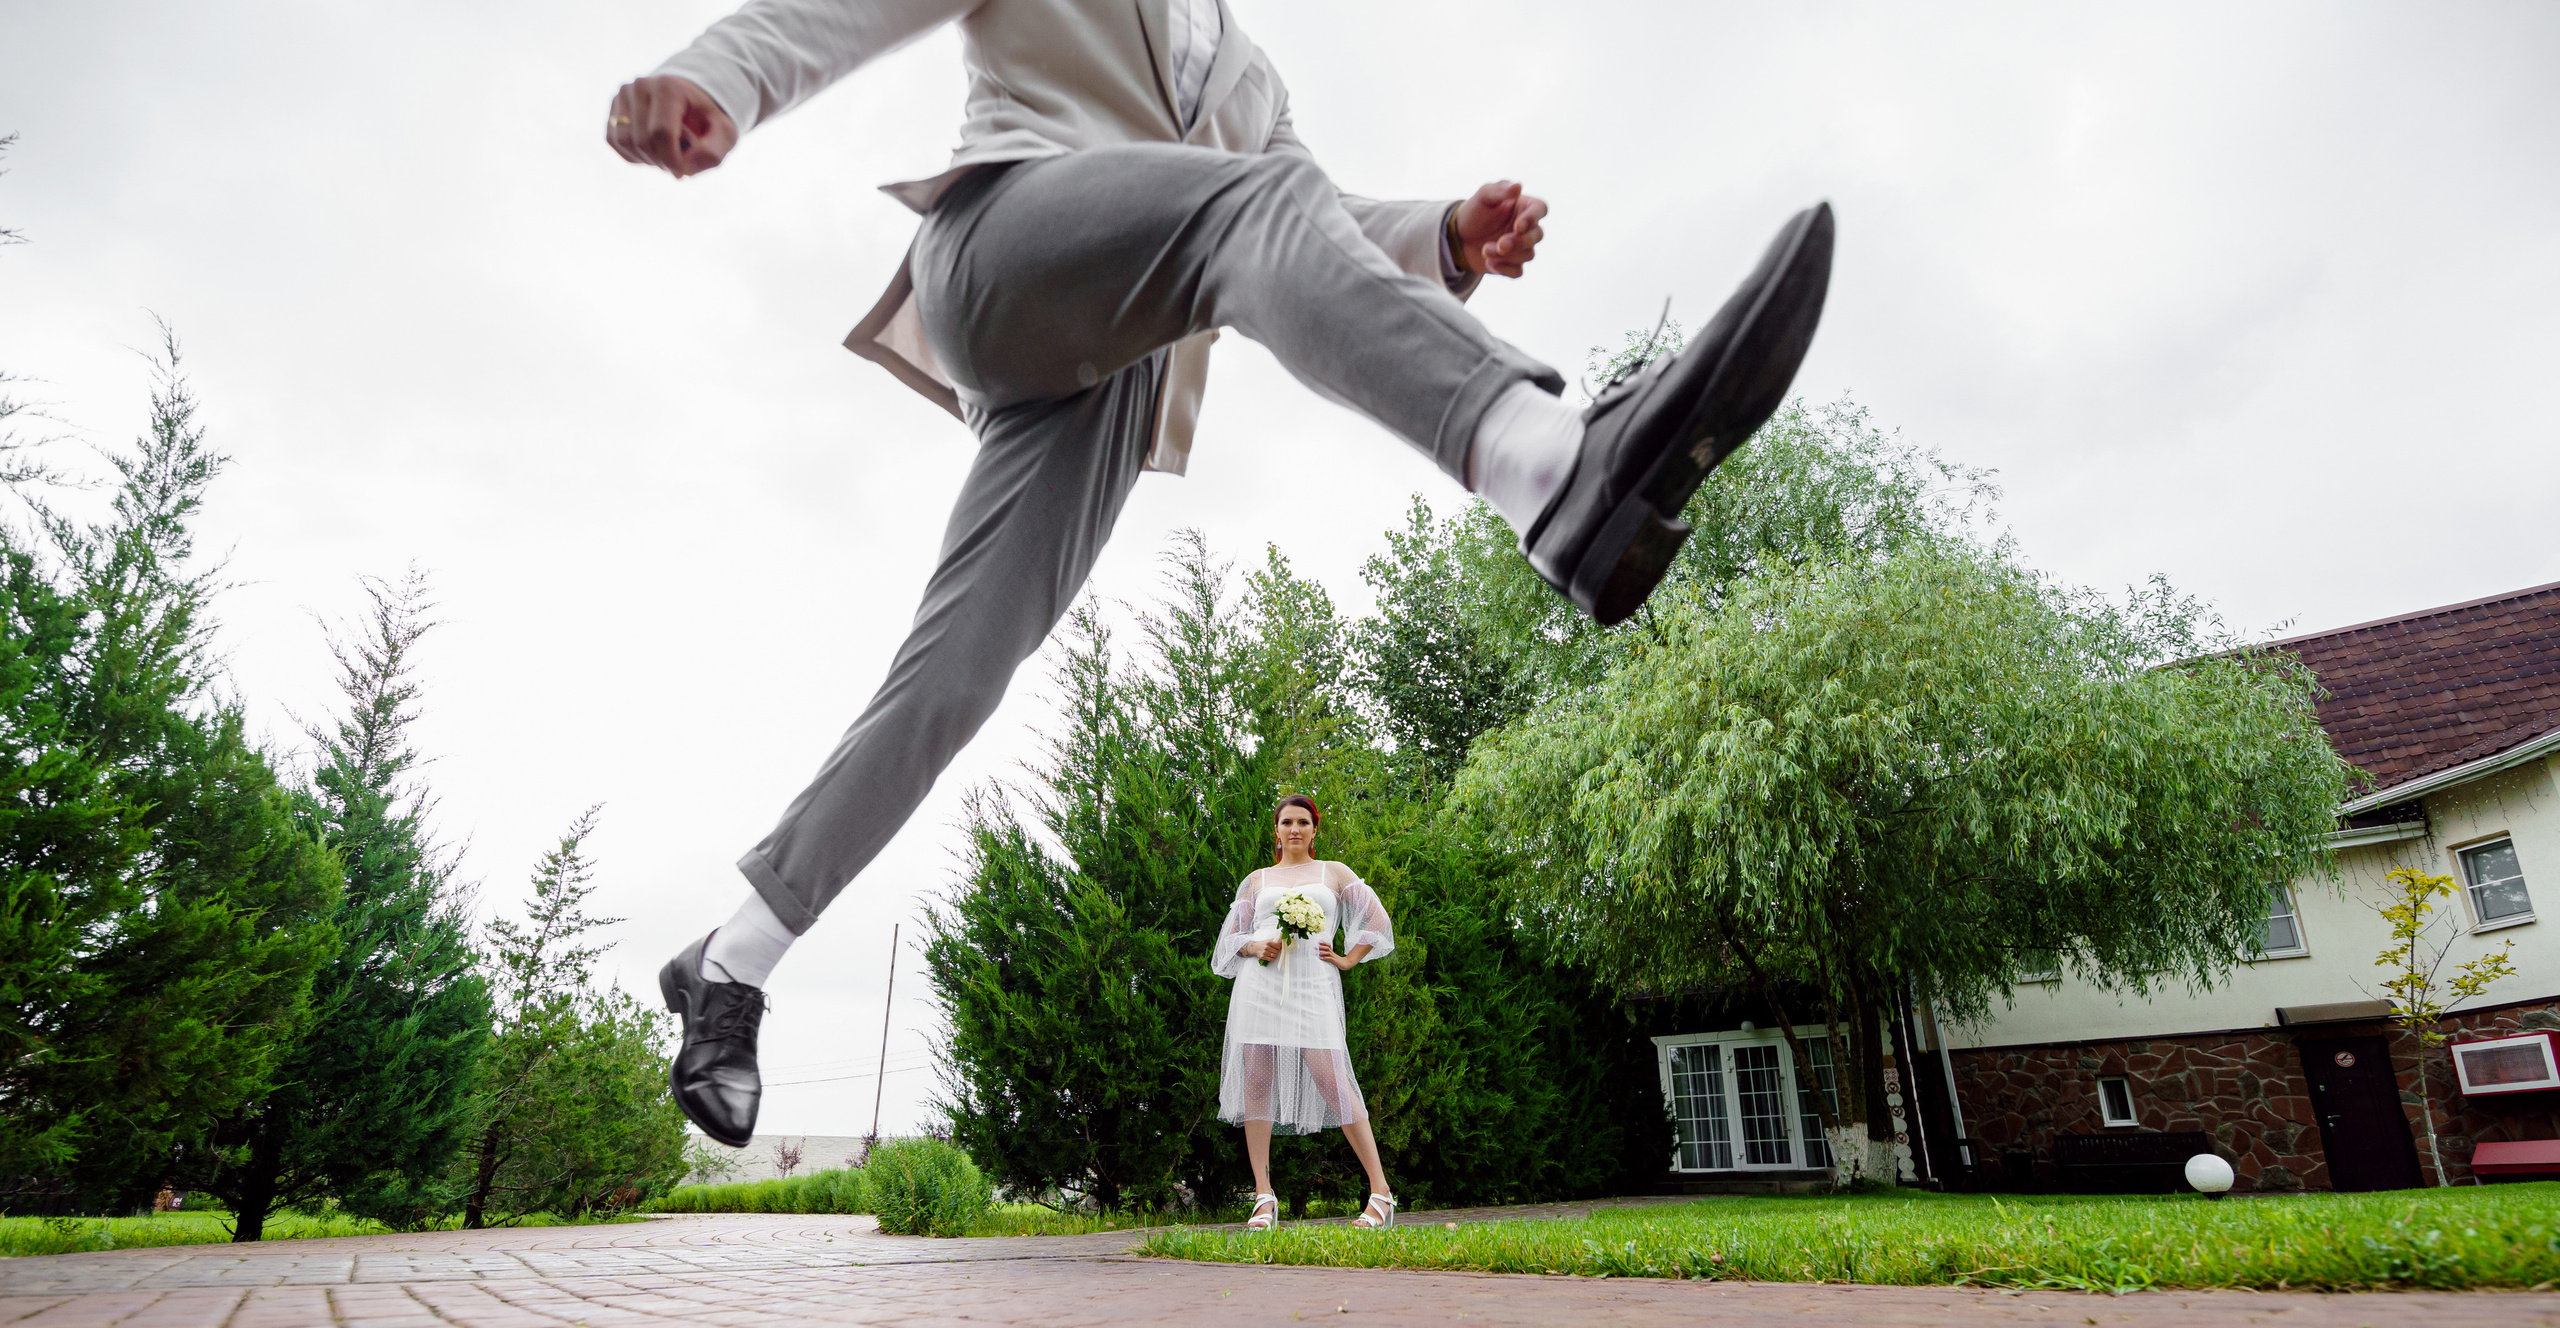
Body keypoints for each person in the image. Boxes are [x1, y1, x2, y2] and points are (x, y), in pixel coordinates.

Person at [612, 0, 1834, 1147]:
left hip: (1113, 372)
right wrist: (720, 80)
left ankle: (732, 960)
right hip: (1005, 251)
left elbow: (1320, 221)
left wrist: (1446, 236)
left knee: (957, 671)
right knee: (1250, 206)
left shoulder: (1249, 80)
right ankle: (1547, 465)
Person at [1213, 795, 1396, 1229]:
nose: (1294, 829)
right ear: (1276, 832)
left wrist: (1348, 959)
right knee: (1257, 1083)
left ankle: (1381, 1193)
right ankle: (1263, 1196)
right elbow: (1229, 942)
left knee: (1335, 1082)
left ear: (1314, 830)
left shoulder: (1334, 873)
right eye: (1286, 823)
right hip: (1259, 988)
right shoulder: (1256, 881)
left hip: (1313, 988)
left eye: (1303, 822)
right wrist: (1255, 946)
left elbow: (1377, 921)